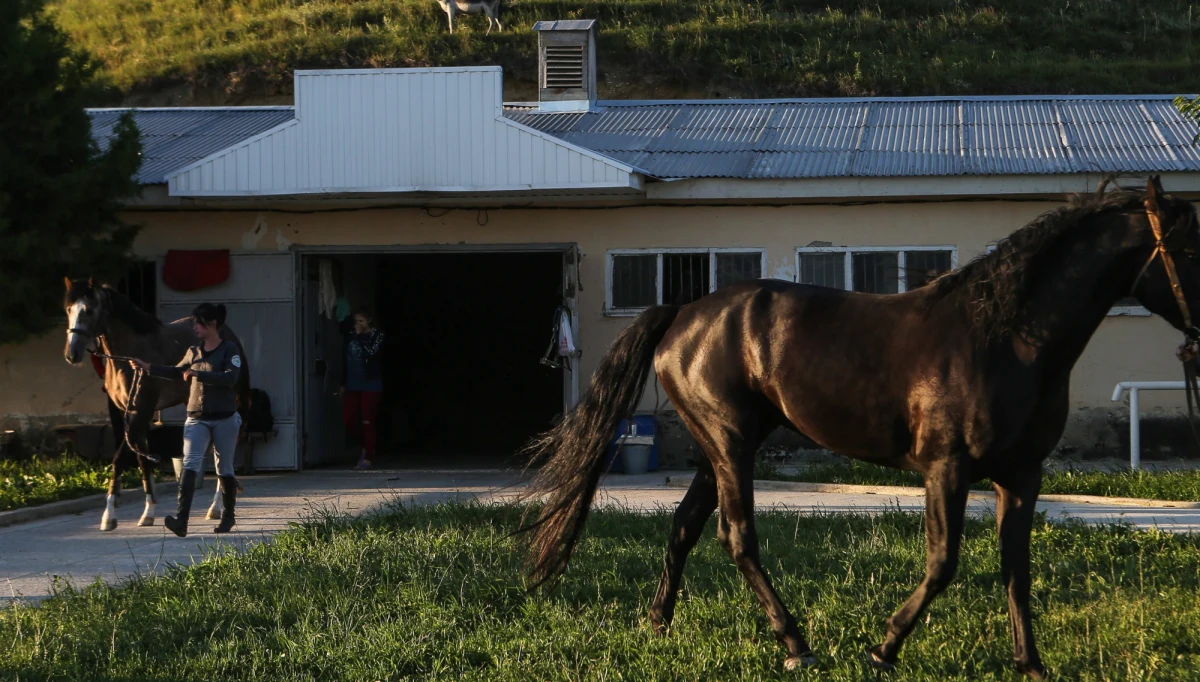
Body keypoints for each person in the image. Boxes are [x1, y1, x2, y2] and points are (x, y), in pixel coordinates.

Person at [131, 302, 242, 537]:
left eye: (197, 323)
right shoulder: (193, 351)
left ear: (211, 324)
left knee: (224, 466)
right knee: (190, 464)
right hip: (196, 417)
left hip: (224, 417)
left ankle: (228, 516)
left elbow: (230, 379)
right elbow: (176, 371)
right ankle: (181, 520)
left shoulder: (229, 350)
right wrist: (147, 367)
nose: (194, 327)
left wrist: (198, 374)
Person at [338, 306, 385, 469]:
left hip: (370, 383)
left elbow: (371, 352)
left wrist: (359, 337)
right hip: (353, 383)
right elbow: (346, 359)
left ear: (368, 321)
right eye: (356, 321)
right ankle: (365, 445)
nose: (358, 324)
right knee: (349, 419)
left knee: (367, 420)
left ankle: (368, 457)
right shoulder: (350, 335)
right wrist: (343, 383)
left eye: (361, 321)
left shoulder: (376, 335)